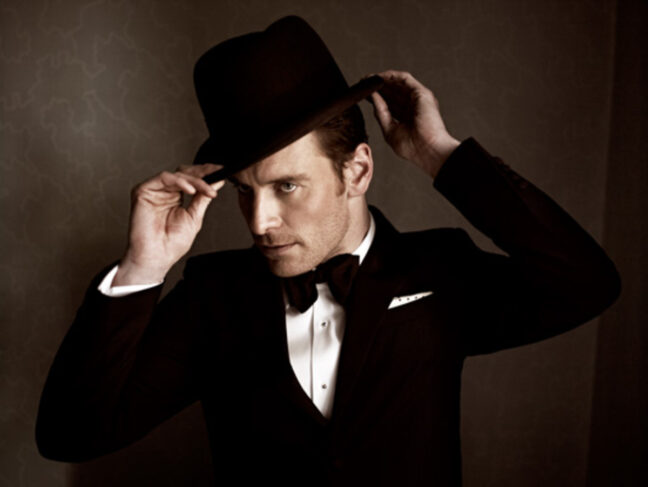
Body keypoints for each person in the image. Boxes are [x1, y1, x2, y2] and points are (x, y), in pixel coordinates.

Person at [36, 15, 620, 486]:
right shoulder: (212, 297)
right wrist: (144, 265)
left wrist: (440, 155)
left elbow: (586, 284)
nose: (259, 222)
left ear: (357, 171)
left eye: (287, 186)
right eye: (244, 191)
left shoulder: (440, 271)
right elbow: (71, 434)